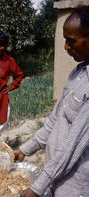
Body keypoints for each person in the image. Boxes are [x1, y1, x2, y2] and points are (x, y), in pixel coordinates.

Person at [14, 6, 89, 197]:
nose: (65, 47)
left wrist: (37, 188)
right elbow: (53, 122)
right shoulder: (77, 74)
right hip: (55, 177)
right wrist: (25, 149)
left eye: (71, 41)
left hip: (74, 185)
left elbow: (73, 145)